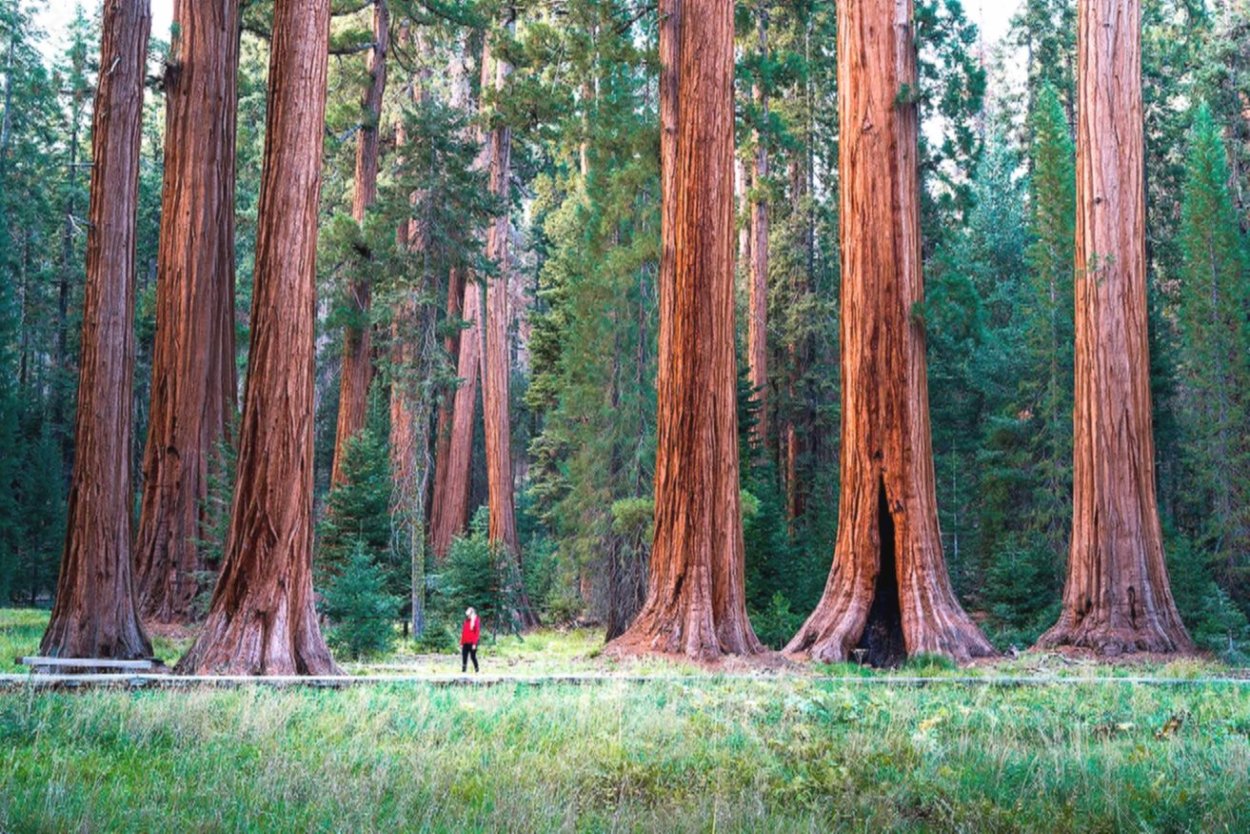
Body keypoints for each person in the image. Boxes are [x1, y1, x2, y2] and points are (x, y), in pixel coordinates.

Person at [460, 607, 481, 673]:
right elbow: (464, 632)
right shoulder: (466, 621)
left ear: (472, 614)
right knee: (464, 657)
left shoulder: (476, 620)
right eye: (467, 615)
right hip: (465, 642)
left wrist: (474, 643)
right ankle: (463, 671)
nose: (468, 616)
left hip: (472, 642)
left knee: (473, 657)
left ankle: (477, 670)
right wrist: (461, 643)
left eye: (469, 615)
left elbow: (477, 633)